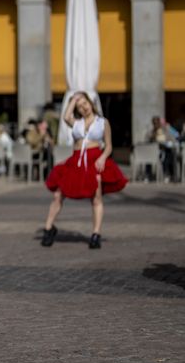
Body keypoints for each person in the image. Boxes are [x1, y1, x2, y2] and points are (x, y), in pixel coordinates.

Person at [42, 92, 128, 249]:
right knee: (58, 194)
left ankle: (96, 234)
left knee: (96, 198)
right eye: (79, 106)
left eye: (85, 103)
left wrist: (103, 158)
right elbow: (65, 117)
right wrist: (73, 99)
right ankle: (48, 228)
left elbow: (109, 146)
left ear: (90, 102)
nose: (83, 107)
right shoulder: (76, 123)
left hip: (95, 160)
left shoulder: (102, 122)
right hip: (76, 162)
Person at [145, 116, 177, 182]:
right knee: (148, 156)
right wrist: (153, 137)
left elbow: (172, 140)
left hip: (163, 151)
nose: (156, 124)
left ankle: (167, 174)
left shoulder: (165, 131)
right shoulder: (150, 132)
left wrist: (165, 141)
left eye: (157, 122)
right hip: (153, 152)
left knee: (168, 154)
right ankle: (148, 175)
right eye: (154, 123)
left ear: (159, 123)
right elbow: (146, 142)